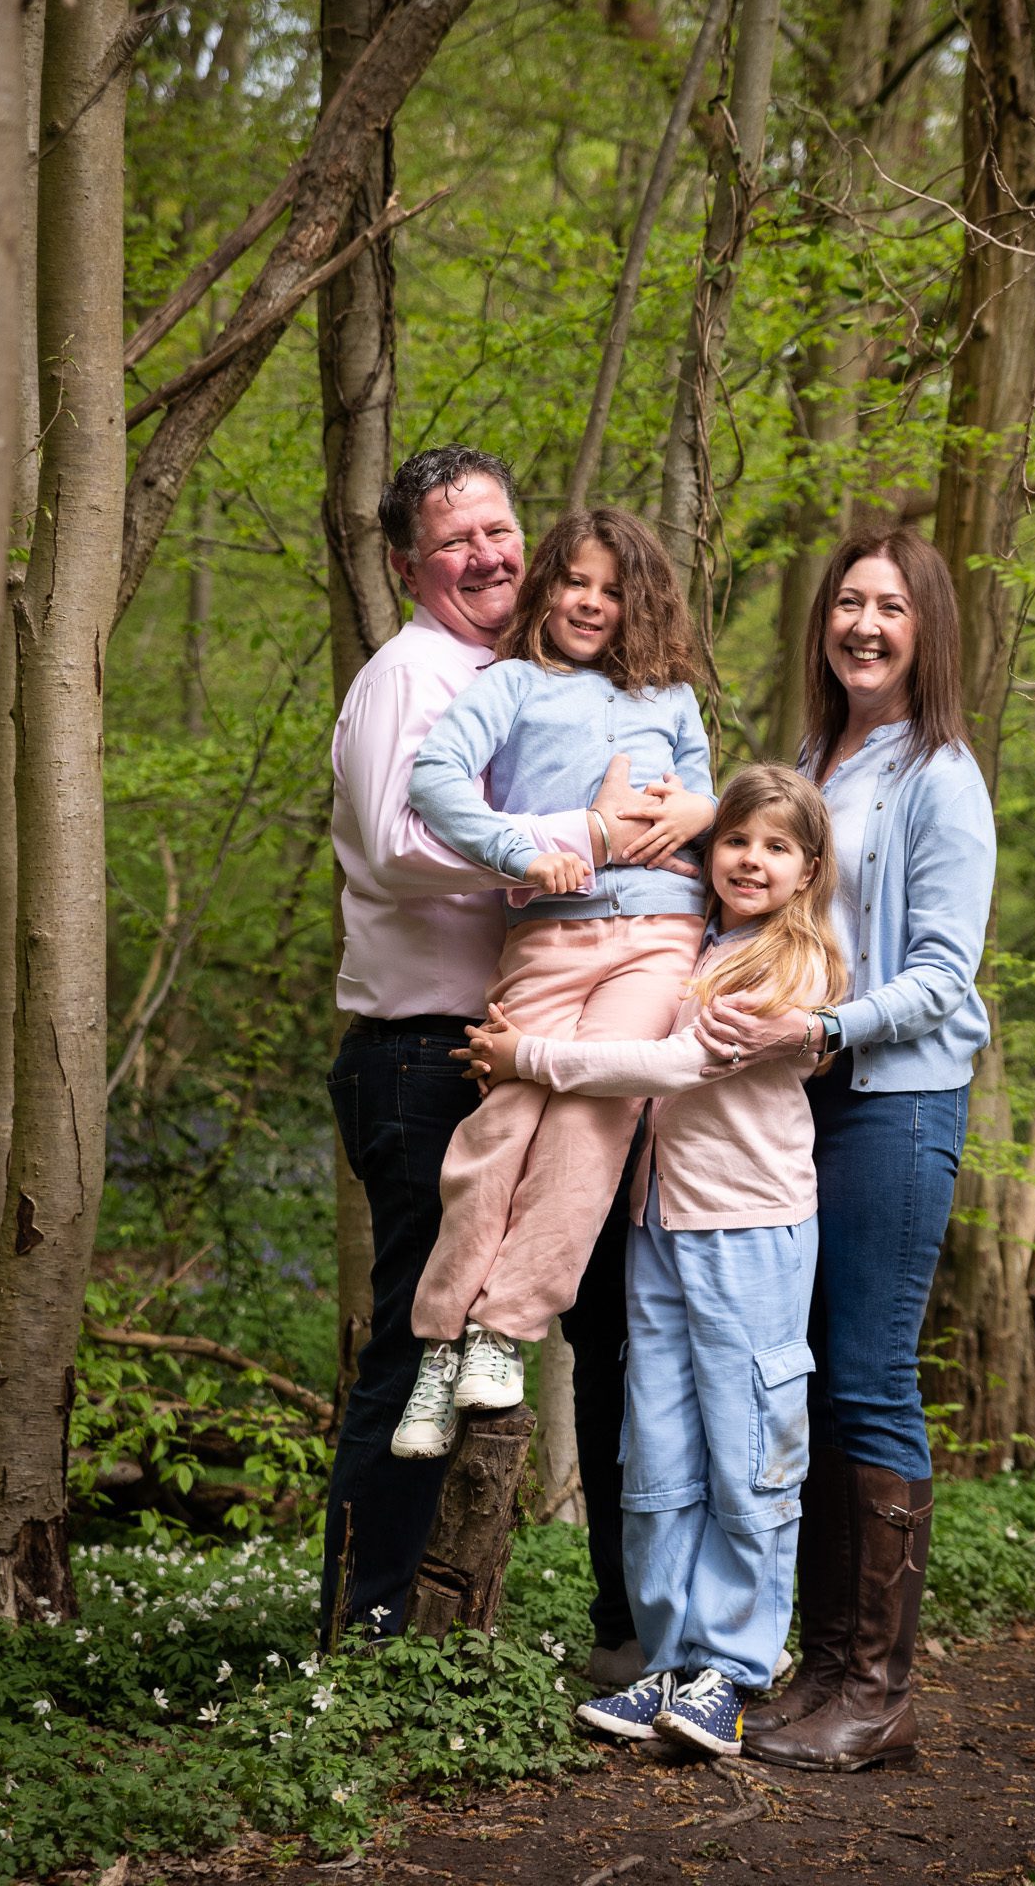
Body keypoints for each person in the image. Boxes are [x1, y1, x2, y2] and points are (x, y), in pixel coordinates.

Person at [323, 446, 661, 1656]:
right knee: (415, 1340)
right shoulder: (406, 676)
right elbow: (392, 840)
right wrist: (579, 833)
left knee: (598, 1324)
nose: (488, 555)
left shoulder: (536, 679)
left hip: (549, 1044)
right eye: (455, 539)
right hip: (425, 1055)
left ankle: (625, 1625)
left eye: (499, 528)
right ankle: (358, 1645)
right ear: (409, 563)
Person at [462, 766, 847, 1757]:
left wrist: (527, 1056)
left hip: (750, 1229)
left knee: (745, 1446)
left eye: (775, 847)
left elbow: (669, 1066)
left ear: (807, 870)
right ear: (707, 850)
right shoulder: (693, 943)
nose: (750, 860)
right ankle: (667, 1660)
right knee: (660, 1449)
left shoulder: (789, 965)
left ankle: (731, 1665)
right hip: (656, 1223)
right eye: (735, 840)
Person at [695, 527, 996, 1773]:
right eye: (845, 603)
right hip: (797, 1106)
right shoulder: (820, 755)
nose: (862, 624)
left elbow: (941, 974)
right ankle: (819, 1664)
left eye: (888, 606)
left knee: (868, 1377)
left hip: (894, 1101)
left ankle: (877, 1686)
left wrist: (823, 1023)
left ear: (924, 627)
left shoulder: (940, 773)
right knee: (808, 1377)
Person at [389, 507, 715, 1447]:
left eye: (614, 590)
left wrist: (694, 811)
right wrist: (522, 852)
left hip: (657, 936)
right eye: (576, 580)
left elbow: (702, 800)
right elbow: (435, 778)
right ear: (548, 585)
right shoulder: (513, 684)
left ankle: (504, 1330)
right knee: (504, 1116)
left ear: (640, 603)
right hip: (548, 937)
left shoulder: (671, 698)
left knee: (590, 1118)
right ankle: (441, 1344)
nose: (591, 601)